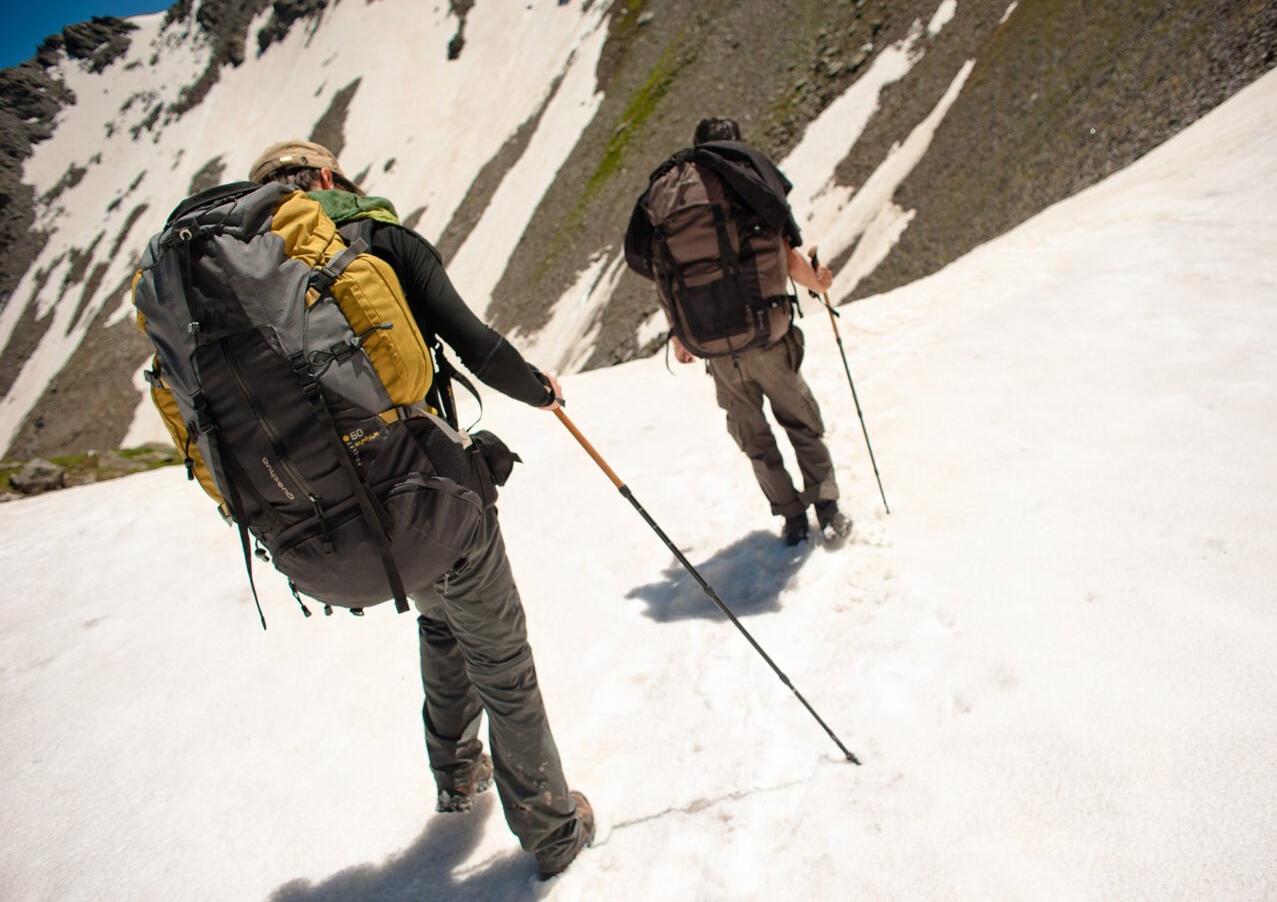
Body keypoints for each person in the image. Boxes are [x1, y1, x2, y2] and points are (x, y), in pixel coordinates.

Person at [247, 139, 592, 880]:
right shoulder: (377, 239)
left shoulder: (245, 287)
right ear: (327, 178)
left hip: (332, 528)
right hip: (431, 497)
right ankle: (553, 830)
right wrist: (540, 389)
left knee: (442, 618)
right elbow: (475, 344)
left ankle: (456, 774)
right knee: (500, 656)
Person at [629, 118, 850, 546]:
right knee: (800, 422)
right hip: (768, 336)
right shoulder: (745, 181)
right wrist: (819, 284)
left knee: (754, 438)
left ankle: (791, 519)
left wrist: (679, 332)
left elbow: (665, 272)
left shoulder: (673, 195)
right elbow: (786, 257)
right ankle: (827, 508)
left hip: (715, 347)